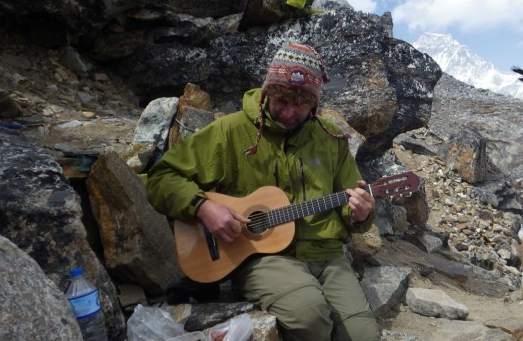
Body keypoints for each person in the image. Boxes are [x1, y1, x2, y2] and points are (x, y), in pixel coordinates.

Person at [146, 43, 381, 341]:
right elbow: (160, 177)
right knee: (310, 319)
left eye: (301, 104)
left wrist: (361, 213)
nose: (289, 111)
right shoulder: (230, 131)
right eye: (281, 100)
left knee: (363, 336)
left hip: (326, 255)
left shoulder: (331, 139)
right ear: (267, 91)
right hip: (260, 258)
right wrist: (203, 206)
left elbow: (353, 205)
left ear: (314, 104)